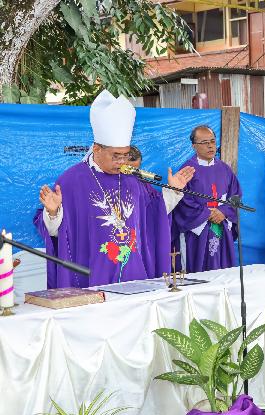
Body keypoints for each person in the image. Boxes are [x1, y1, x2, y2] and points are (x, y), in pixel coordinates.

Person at [34, 90, 195, 288]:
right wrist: (53, 213)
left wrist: (173, 192)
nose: (121, 162)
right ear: (97, 149)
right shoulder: (71, 181)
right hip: (91, 276)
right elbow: (59, 234)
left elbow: (153, 215)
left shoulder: (132, 179)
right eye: (116, 155)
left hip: (134, 274)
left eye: (126, 155)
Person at [172, 125, 242, 273]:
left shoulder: (224, 168)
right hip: (198, 231)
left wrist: (223, 211)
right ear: (194, 146)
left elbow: (235, 194)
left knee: (224, 270)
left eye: (212, 141)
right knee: (200, 268)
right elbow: (183, 201)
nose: (210, 145)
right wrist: (207, 214)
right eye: (204, 142)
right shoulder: (187, 170)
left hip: (222, 225)